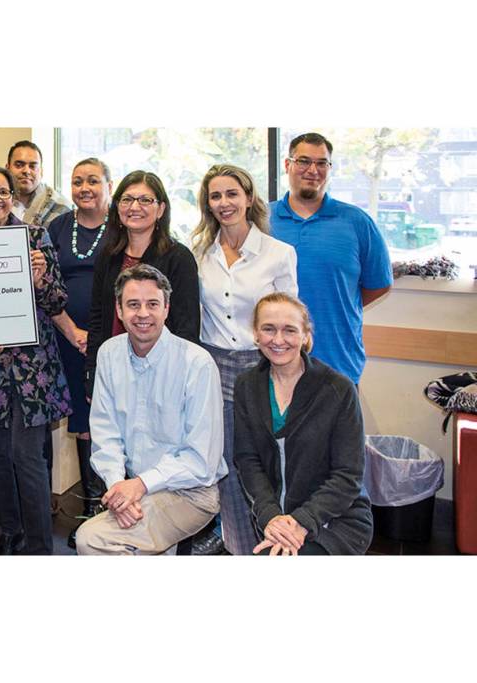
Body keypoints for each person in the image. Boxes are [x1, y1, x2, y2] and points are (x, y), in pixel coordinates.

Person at [75, 264, 226, 555]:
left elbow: (201, 460)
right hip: (134, 486)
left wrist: (140, 485)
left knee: (91, 539)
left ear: (167, 308)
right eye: (133, 304)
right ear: (118, 310)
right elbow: (105, 434)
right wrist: (120, 487)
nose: (143, 314)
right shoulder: (109, 353)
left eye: (152, 304)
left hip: (191, 492)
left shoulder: (197, 363)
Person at [189, 164, 298, 555]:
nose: (223, 203)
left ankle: (278, 540)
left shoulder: (279, 254)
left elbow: (290, 319)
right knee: (229, 467)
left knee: (268, 464)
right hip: (215, 369)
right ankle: (239, 545)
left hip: (265, 367)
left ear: (249, 198)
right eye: (215, 196)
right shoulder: (199, 253)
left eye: (231, 194)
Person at [0, 166, 71, 554]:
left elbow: (57, 300)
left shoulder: (34, 237)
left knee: (26, 456)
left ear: (13, 197)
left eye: (2, 191)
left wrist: (40, 279)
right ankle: (11, 533)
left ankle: (40, 544)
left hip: (32, 368)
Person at [234, 292, 372, 555]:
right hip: (276, 520)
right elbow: (247, 460)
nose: (278, 340)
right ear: (255, 334)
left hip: (334, 518)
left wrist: (301, 522)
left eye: (289, 330)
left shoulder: (338, 389)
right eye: (268, 329)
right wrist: (271, 517)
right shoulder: (247, 386)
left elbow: (348, 476)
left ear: (306, 335)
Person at [269, 132, 393, 385]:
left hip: (339, 363)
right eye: (303, 161)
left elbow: (379, 284)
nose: (312, 170)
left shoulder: (356, 222)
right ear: (287, 165)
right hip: (274, 362)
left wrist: (340, 305)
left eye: (321, 163)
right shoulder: (262, 220)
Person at [84, 170, 200, 400]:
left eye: (145, 200)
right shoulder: (108, 256)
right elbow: (98, 319)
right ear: (117, 207)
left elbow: (187, 327)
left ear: (161, 209)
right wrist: (92, 371)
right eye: (127, 199)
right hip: (113, 370)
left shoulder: (178, 257)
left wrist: (177, 378)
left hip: (163, 376)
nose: (135, 206)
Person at [46, 158, 113, 546]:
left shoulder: (121, 225)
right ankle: (91, 508)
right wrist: (73, 333)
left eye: (92, 181)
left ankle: (116, 504)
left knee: (113, 422)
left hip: (115, 342)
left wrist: (100, 336)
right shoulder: (58, 227)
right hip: (67, 341)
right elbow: (47, 284)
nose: (84, 187)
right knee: (83, 424)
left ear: (108, 184)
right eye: (76, 182)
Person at [4, 140, 71, 227]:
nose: (26, 171)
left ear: (41, 172)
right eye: (19, 165)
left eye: (33, 166)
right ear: (7, 169)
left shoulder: (61, 207)